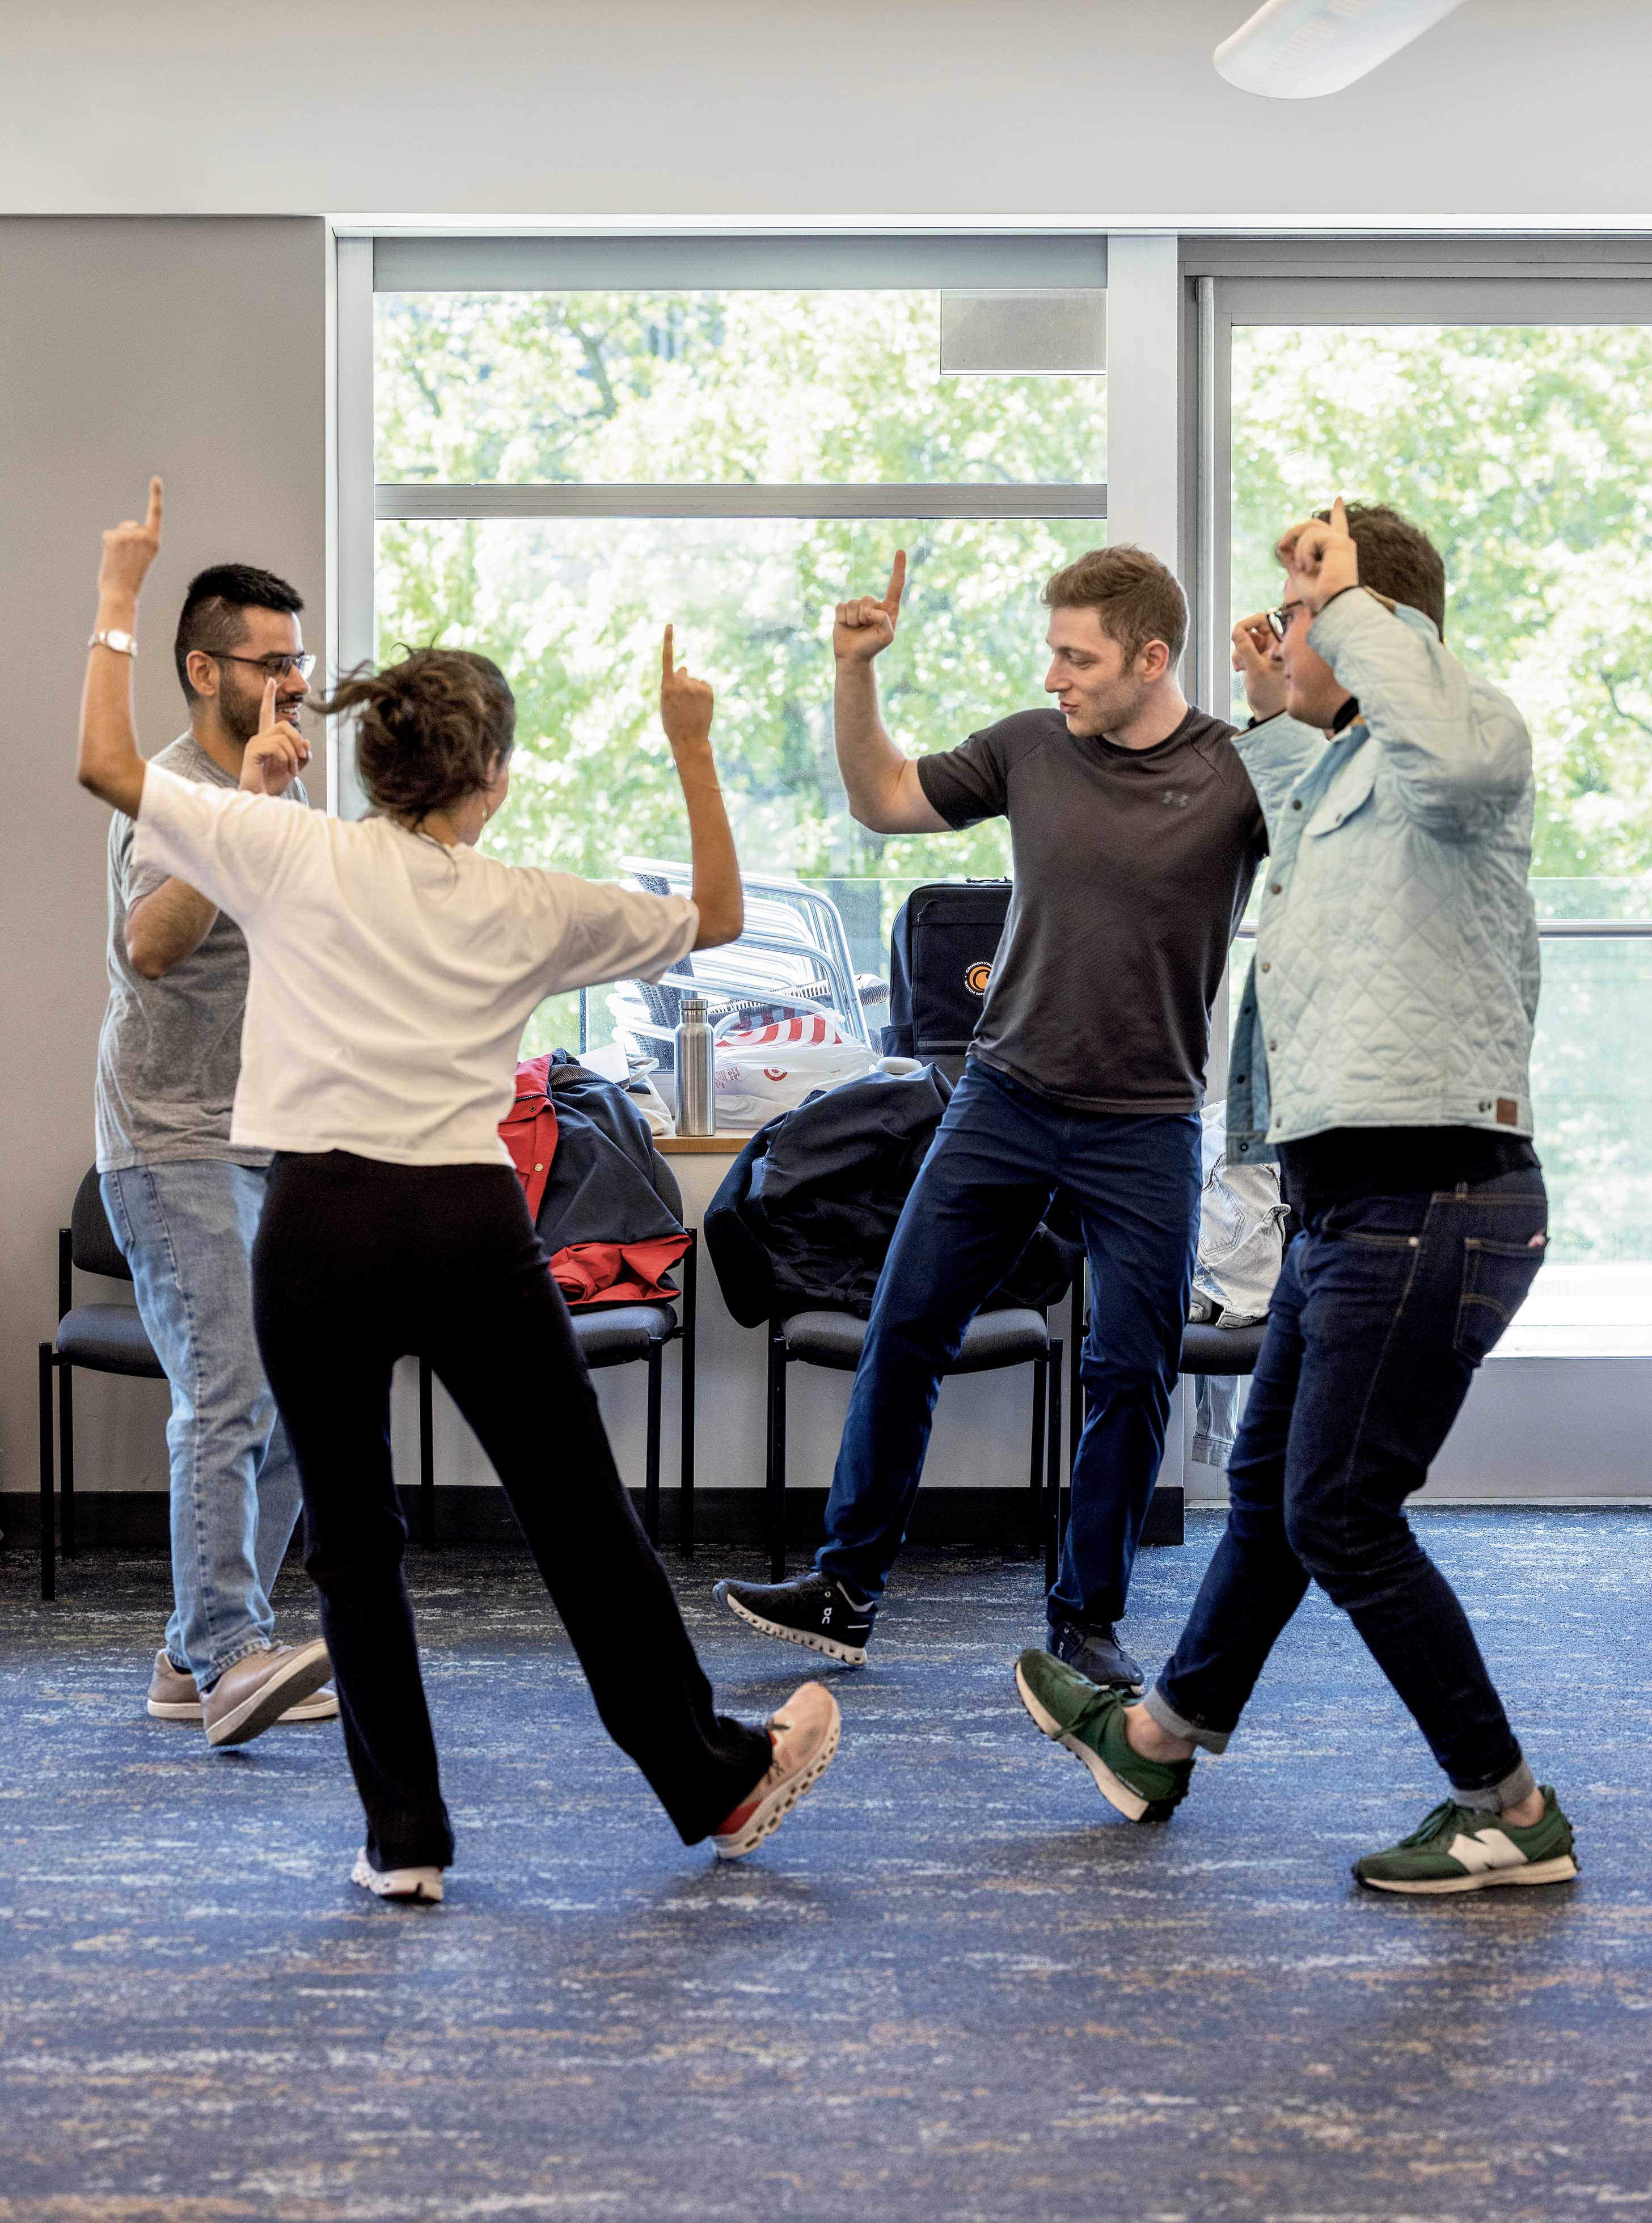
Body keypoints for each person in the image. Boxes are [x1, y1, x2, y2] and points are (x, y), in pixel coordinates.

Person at [79, 477, 840, 1904]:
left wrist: (121, 594)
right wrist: (692, 747)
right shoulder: (527, 898)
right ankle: (711, 1779)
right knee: (576, 1516)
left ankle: (404, 1841)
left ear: (370, 761)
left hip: (312, 1227)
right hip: (462, 1224)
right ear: (487, 778)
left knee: (353, 1545)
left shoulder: (291, 846)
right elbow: (722, 916)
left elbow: (105, 764)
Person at [1015, 500, 1578, 1896]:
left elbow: (1432, 755)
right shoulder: (1347, 778)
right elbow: (1298, 799)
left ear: (1382, 625)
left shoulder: (1470, 734)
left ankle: (1503, 1804)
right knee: (1267, 1490)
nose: (1285, 617)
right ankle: (1158, 1732)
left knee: (1337, 1512)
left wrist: (1349, 608)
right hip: (1351, 1204)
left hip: (1433, 1190)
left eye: (1309, 601)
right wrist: (1280, 700)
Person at [716, 545, 1270, 1689]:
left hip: (1147, 1119)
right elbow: (880, 800)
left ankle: (1085, 1622)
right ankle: (844, 1588)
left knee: (1130, 1367)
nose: (1057, 676)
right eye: (1052, 654)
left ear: (1149, 659)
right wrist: (854, 671)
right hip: (1002, 1097)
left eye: (1079, 657)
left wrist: (1291, 702)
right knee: (904, 1328)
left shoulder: (1237, 773)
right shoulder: (1028, 746)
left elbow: (1353, 813)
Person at [95, 553, 338, 1748]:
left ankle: (193, 1653)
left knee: (297, 1402)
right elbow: (153, 944)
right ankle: (232, 1651)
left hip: (265, 1137)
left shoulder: (275, 786)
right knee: (227, 1392)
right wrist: (245, 805)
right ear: (206, 669)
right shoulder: (179, 790)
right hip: (168, 1136)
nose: (292, 681)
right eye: (271, 662)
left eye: (298, 660)